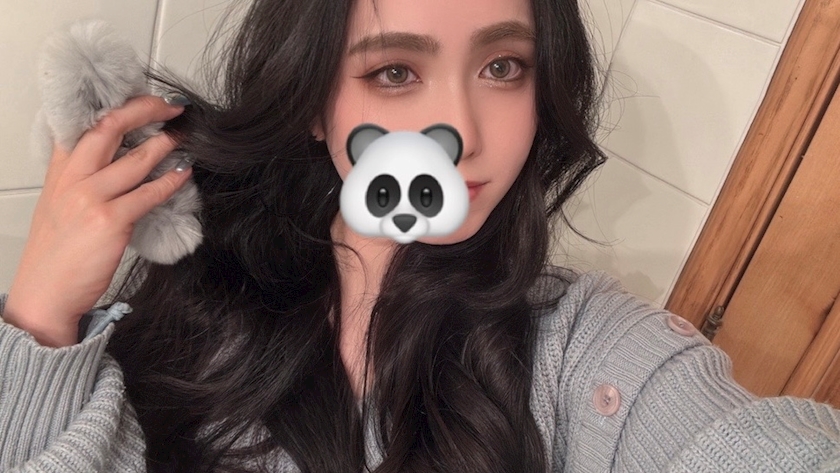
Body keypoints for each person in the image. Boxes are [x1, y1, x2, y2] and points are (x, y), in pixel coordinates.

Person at [1, 0, 839, 471]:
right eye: (395, 72)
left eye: (503, 67)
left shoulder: (582, 347)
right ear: (312, 102)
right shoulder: (204, 287)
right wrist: (41, 315)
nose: (461, 133)